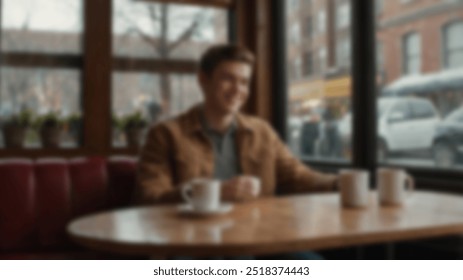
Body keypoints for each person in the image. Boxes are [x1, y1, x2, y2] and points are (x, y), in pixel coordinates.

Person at [135, 44, 338, 258]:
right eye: (227, 79)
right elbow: (149, 198)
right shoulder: (165, 134)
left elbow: (297, 176)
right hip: (193, 245)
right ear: (203, 80)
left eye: (244, 82)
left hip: (259, 239)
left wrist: (336, 183)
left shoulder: (262, 131)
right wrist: (216, 192)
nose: (237, 90)